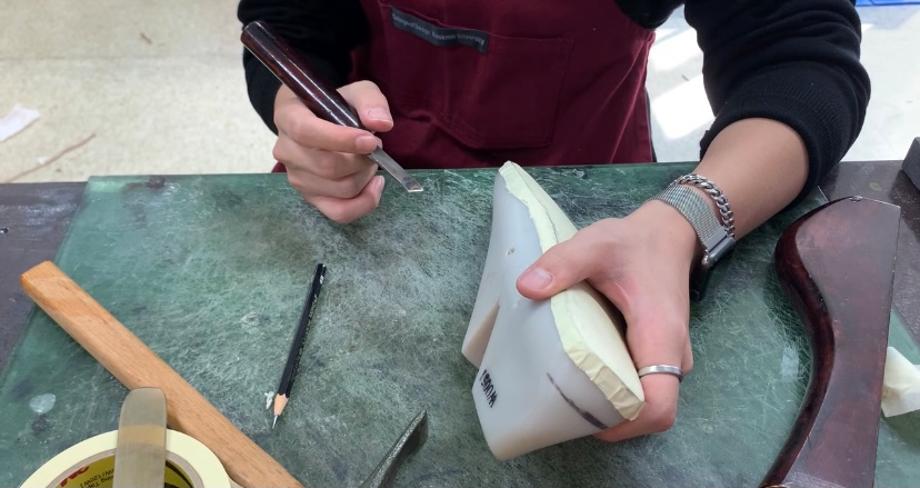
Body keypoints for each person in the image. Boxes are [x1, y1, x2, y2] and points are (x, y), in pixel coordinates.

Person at [237, 0, 869, 441]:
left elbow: (800, 58)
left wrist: (686, 221)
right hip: (356, 189)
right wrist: (299, 110)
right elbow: (282, 24)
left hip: (596, 215)